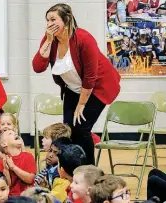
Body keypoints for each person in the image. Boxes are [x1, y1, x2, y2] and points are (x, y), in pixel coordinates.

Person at [32, 3, 121, 165]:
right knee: (68, 130)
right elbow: (38, 67)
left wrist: (82, 103)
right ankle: (71, 168)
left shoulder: (84, 39)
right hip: (73, 89)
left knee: (81, 128)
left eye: (53, 19)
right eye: (47, 20)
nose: (49, 24)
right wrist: (48, 42)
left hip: (97, 87)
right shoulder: (49, 40)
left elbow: (90, 76)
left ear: (66, 21)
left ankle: (89, 172)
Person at [0, 130, 36, 196]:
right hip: (12, 198)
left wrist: (13, 167)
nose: (15, 133)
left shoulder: (28, 156)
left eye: (15, 133)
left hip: (28, 197)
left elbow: (30, 179)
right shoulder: (2, 162)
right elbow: (7, 185)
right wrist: (6, 170)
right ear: (4, 144)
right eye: (10, 134)